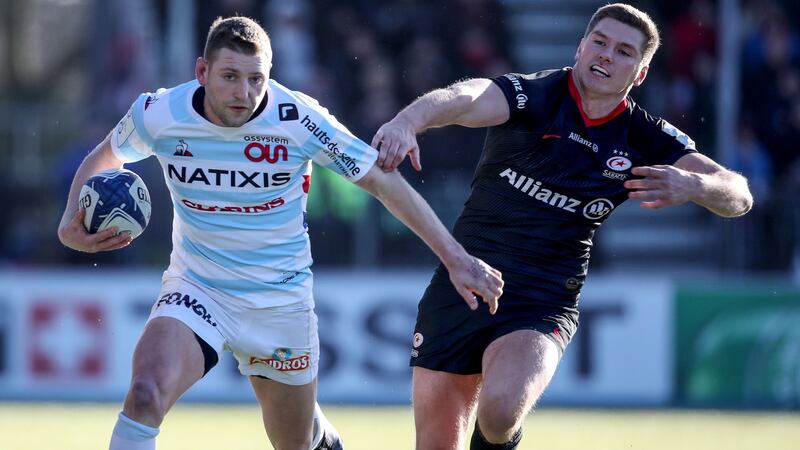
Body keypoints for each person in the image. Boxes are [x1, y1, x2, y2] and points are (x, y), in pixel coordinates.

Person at [56, 16, 503, 450]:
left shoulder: (297, 119)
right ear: (201, 71)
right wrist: (68, 222)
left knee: (296, 442)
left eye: (256, 79)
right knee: (144, 395)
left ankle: (320, 437)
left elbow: (382, 182)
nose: (244, 93)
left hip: (279, 304)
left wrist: (455, 258)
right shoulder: (159, 112)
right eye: (230, 76)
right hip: (197, 288)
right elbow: (105, 157)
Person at [372, 4, 753, 450]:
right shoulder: (533, 96)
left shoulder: (644, 136)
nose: (607, 55)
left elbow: (739, 194)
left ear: (641, 73)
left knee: (499, 413)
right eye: (600, 42)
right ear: (581, 46)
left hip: (543, 298)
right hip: (462, 280)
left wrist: (694, 184)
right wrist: (408, 121)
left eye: (624, 51)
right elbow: (469, 97)